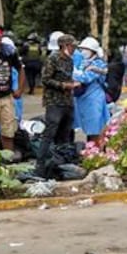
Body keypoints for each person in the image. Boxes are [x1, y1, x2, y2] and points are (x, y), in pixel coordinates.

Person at [33, 33, 78, 179]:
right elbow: (46, 79)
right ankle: (40, 165)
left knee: (65, 133)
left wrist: (72, 85)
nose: (73, 49)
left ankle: (61, 162)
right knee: (49, 133)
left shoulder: (70, 61)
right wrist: (63, 85)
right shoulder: (53, 59)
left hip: (67, 101)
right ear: (64, 46)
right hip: (54, 102)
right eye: (72, 46)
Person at [72, 37, 110, 142]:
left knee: (95, 128)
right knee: (87, 127)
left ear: (93, 51)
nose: (83, 51)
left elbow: (86, 78)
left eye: (86, 49)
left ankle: (95, 152)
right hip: (82, 99)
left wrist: (73, 74)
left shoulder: (98, 64)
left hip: (94, 98)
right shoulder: (81, 62)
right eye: (82, 49)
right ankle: (90, 150)